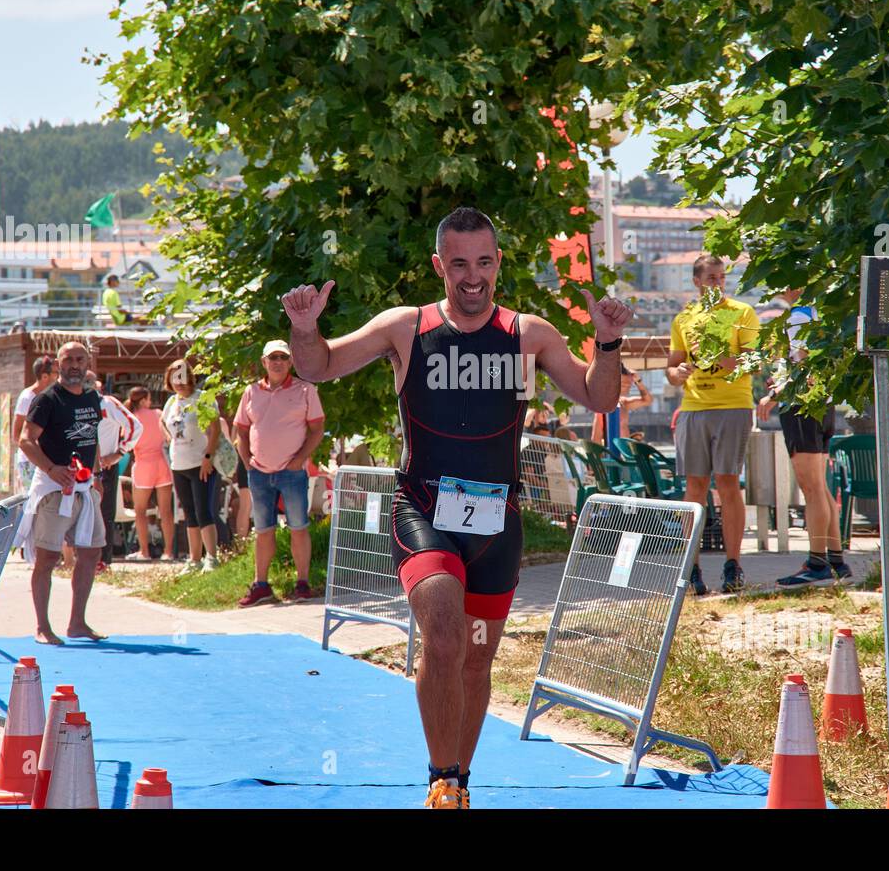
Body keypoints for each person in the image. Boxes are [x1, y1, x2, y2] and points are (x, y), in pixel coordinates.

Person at [283, 206, 630, 809]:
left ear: (498, 264)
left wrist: (607, 342)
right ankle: (440, 778)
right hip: (423, 509)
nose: (474, 277)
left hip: (498, 523)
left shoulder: (530, 334)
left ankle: (458, 786)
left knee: (474, 659)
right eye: (461, 264)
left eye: (485, 262)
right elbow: (320, 365)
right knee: (443, 634)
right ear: (440, 265)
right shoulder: (405, 327)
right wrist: (307, 329)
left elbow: (598, 395)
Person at [666, 254, 760, 595]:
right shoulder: (684, 318)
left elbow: (754, 361)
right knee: (694, 486)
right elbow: (673, 368)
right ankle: (691, 568)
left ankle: (733, 563)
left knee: (727, 483)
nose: (717, 283)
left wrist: (722, 356)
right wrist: (678, 374)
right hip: (693, 407)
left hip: (733, 405)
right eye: (711, 278)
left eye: (721, 277)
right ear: (696, 281)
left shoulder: (741, 312)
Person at [14, 342, 108, 643]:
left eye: (80, 359)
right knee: (47, 558)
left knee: (91, 553)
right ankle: (42, 626)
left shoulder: (94, 397)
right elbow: (25, 440)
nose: (75, 365)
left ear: (88, 362)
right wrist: (52, 468)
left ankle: (77, 622)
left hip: (85, 488)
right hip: (55, 490)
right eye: (68, 360)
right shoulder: (47, 399)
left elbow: (93, 439)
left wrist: (97, 475)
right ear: (58, 363)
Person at [756, 289, 851, 587]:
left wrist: (773, 394)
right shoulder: (819, 312)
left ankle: (817, 561)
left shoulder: (798, 316)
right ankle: (835, 561)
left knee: (811, 489)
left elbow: (803, 363)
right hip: (823, 404)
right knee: (820, 487)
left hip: (801, 406)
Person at [234, 340, 326, 606]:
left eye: (283, 357)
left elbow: (317, 428)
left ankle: (302, 584)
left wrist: (299, 461)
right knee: (263, 530)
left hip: (292, 472)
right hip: (259, 473)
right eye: (272, 357)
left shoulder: (306, 390)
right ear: (263, 361)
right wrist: (247, 461)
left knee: (299, 527)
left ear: (291, 362)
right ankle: (261, 585)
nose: (277, 362)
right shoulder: (251, 392)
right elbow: (240, 428)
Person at [161, 359, 222, 572]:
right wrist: (170, 439)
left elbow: (216, 429)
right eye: (174, 377)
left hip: (200, 463)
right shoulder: (171, 402)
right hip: (179, 464)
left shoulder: (202, 399)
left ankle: (212, 557)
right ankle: (194, 559)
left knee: (203, 510)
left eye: (182, 376)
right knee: (189, 512)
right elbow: (163, 422)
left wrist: (208, 456)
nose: (178, 382)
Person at [87, 370, 142, 572]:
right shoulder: (69, 403)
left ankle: (103, 560)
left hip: (104, 465)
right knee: (79, 513)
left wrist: (119, 452)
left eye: (88, 382)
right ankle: (80, 559)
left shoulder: (107, 403)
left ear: (97, 385)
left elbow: (135, 426)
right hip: (77, 467)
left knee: (103, 514)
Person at [124, 386, 176, 561]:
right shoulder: (159, 414)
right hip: (162, 463)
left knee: (140, 511)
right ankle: (168, 552)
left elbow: (127, 443)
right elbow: (168, 436)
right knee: (166, 511)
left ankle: (144, 551)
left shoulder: (132, 419)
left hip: (143, 465)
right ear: (144, 400)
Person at [12, 356, 58, 493]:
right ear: (45, 376)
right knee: (31, 500)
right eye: (55, 373)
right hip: (30, 460)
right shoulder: (27, 397)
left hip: (47, 460)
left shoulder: (51, 397)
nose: (58, 377)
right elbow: (17, 433)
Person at [590, 364, 653, 443]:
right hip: (613, 451)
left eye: (629, 384)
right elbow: (596, 437)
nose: (627, 386)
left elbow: (647, 401)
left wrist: (638, 382)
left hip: (624, 451)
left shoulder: (624, 403)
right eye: (623, 384)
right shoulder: (604, 406)